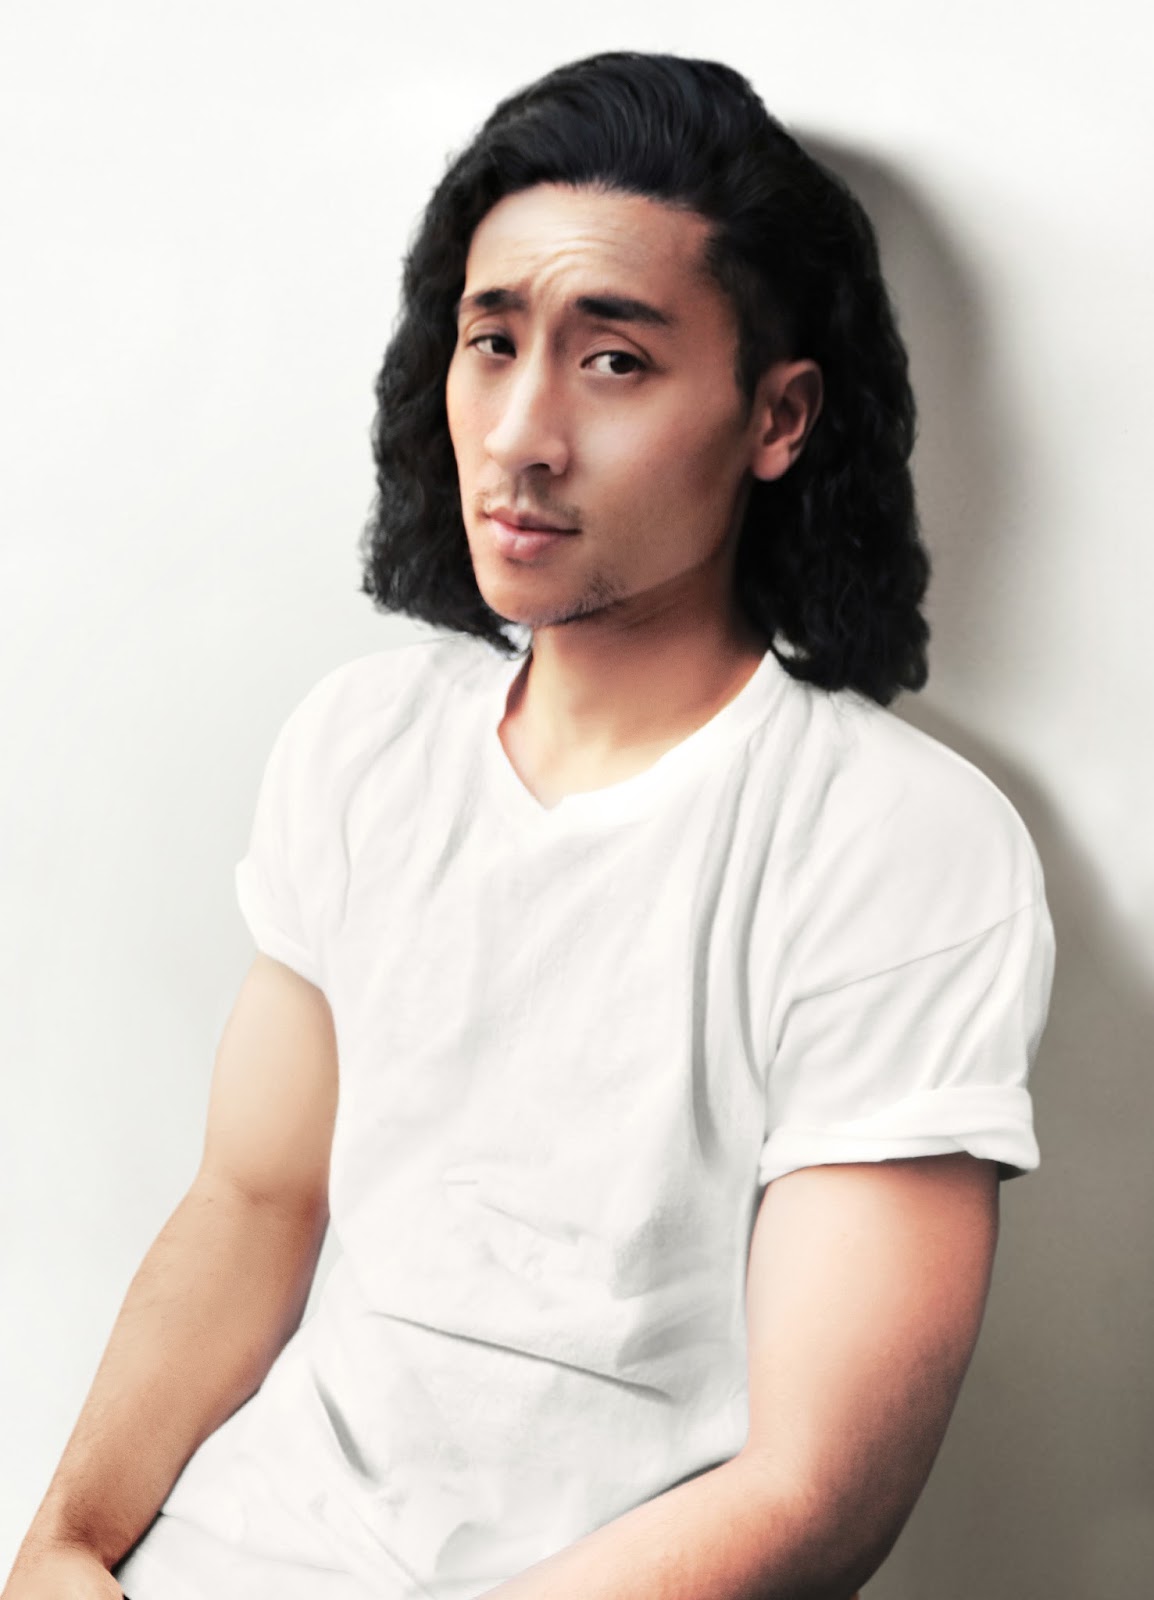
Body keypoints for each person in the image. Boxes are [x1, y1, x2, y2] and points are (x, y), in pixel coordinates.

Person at [5, 50, 1054, 1600]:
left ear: (777, 416)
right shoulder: (361, 743)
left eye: (613, 361)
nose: (519, 432)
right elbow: (254, 1200)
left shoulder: (897, 844)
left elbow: (818, 1491)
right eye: (491, 342)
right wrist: (64, 1545)